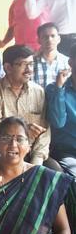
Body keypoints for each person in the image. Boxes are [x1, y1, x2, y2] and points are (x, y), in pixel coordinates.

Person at [0, 45, 52, 166]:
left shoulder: (38, 92)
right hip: (5, 155)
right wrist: (24, 133)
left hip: (33, 154)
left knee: (56, 176)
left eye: (31, 64)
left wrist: (36, 163)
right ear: (8, 67)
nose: (29, 69)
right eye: (23, 64)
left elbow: (44, 133)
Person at [46, 46, 76, 177]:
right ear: (70, 62)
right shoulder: (54, 88)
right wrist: (59, 89)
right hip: (66, 151)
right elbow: (58, 122)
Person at [33, 23, 70, 88]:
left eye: (53, 36)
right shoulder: (32, 63)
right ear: (38, 40)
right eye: (45, 37)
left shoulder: (68, 63)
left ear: (59, 39)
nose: (49, 39)